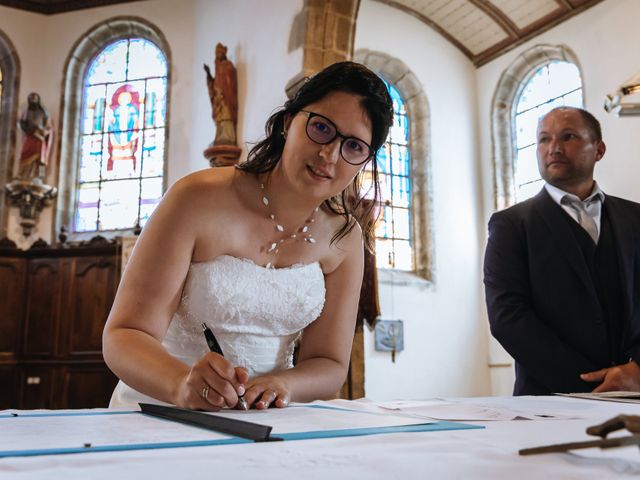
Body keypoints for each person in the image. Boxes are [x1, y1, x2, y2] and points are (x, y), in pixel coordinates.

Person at [103, 61, 393, 410]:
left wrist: (282, 383)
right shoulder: (195, 199)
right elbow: (124, 335)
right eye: (320, 128)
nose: (329, 154)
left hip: (263, 419)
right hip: (160, 405)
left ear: (365, 160)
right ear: (288, 122)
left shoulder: (344, 238)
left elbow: (329, 364)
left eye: (354, 147)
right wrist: (180, 383)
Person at [484, 106, 640, 396]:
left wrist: (637, 370)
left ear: (599, 149)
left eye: (568, 136)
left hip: (634, 394)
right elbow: (507, 317)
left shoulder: (635, 218)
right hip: (547, 401)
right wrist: (588, 384)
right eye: (543, 139)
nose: (553, 148)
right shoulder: (511, 224)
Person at [204, 43, 238, 145]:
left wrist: (222, 92)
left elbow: (229, 82)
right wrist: (209, 74)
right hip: (218, 99)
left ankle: (228, 138)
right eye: (216, 53)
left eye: (219, 53)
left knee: (226, 116)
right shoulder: (217, 66)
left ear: (223, 53)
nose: (217, 55)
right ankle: (219, 138)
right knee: (220, 118)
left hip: (226, 98)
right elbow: (215, 83)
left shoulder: (228, 65)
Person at [17, 92, 53, 181]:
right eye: (31, 99)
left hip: (40, 138)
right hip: (30, 137)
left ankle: (40, 176)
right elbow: (22, 124)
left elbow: (48, 127)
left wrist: (43, 132)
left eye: (35, 99)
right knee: (25, 154)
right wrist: (30, 130)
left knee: (41, 159)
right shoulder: (26, 113)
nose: (33, 101)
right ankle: (23, 174)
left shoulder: (43, 113)